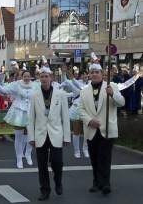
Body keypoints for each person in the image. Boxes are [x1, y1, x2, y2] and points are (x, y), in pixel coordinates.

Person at [79, 63, 125, 195]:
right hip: (91, 129)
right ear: (89, 74)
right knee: (94, 157)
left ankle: (105, 183)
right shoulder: (84, 91)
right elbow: (81, 110)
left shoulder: (112, 86)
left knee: (104, 157)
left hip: (107, 128)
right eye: (92, 72)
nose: (94, 74)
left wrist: (112, 95)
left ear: (102, 73)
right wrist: (89, 120)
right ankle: (96, 181)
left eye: (97, 72)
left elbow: (121, 102)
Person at [28, 67, 71, 201]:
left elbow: (65, 116)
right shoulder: (34, 95)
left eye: (46, 76)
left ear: (51, 78)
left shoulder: (60, 94)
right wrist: (31, 137)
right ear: (39, 79)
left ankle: (58, 182)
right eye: (42, 77)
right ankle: (45, 190)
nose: (44, 79)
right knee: (42, 165)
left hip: (56, 133)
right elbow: (31, 118)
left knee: (57, 162)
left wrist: (66, 136)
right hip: (40, 134)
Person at [0, 70, 36, 169]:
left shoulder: (36, 85)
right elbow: (3, 90)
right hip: (19, 110)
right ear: (22, 77)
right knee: (18, 137)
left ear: (31, 77)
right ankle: (19, 158)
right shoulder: (16, 85)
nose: (27, 78)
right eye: (25, 76)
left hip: (31, 111)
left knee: (31, 135)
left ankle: (28, 154)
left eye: (28, 76)